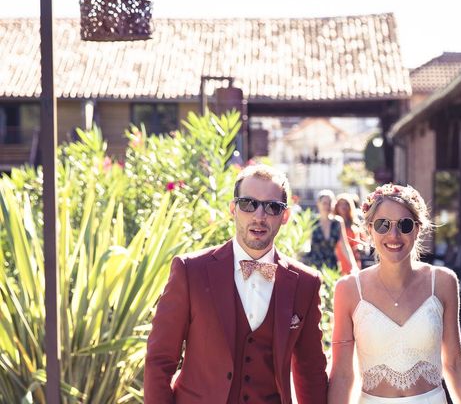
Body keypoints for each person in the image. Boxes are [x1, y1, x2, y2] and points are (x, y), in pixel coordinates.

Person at [144, 164, 328, 404]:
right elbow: (160, 360)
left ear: (285, 216)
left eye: (272, 207)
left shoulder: (305, 283)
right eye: (248, 204)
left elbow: (310, 370)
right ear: (233, 209)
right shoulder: (191, 271)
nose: (259, 216)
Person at [328, 183, 461, 404]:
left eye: (404, 225)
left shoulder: (443, 282)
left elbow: (453, 362)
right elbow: (342, 374)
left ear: (417, 228)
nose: (393, 235)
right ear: (369, 230)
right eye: (382, 225)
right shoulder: (348, 289)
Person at [303, 189, 358, 275]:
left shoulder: (338, 222)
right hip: (314, 267)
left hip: (332, 267)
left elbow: (344, 246)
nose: (327, 206)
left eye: (330, 203)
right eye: (324, 203)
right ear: (318, 204)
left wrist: (354, 266)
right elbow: (304, 243)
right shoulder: (312, 221)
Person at [334, 193, 366, 269]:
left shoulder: (355, 223)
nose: (343, 207)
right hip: (338, 262)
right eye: (340, 204)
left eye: (346, 204)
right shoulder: (333, 224)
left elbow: (364, 242)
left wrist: (360, 247)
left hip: (354, 261)